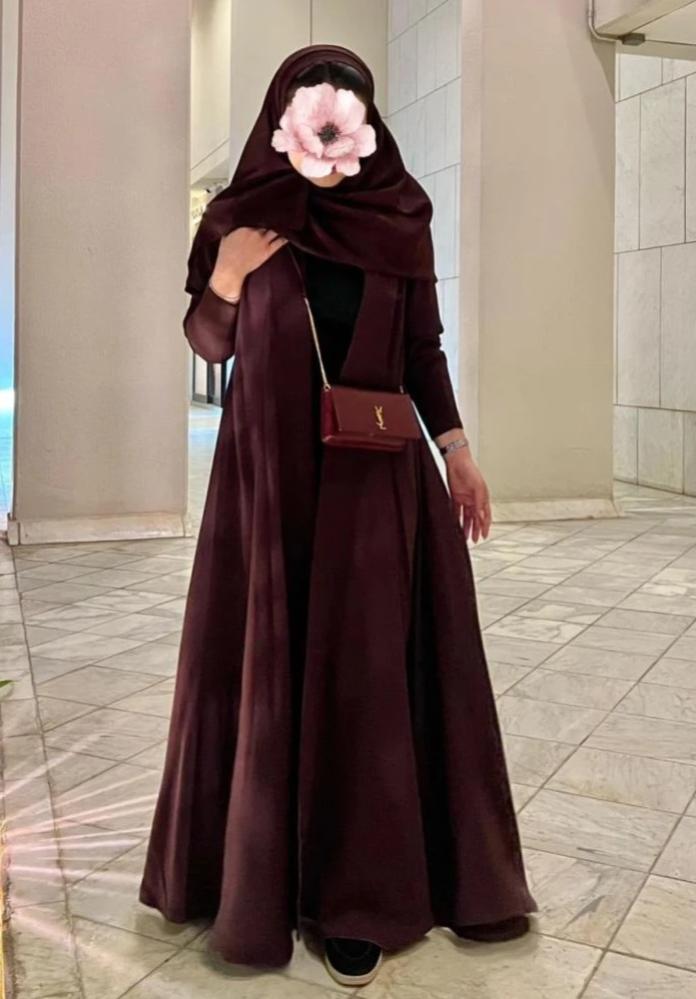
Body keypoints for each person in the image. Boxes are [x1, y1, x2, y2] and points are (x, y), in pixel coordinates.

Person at [138, 43, 538, 989]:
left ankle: (360, 893)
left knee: (366, 674)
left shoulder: (400, 214)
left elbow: (421, 349)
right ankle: (253, 879)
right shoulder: (240, 218)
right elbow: (207, 342)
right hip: (268, 478)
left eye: (345, 109)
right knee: (267, 670)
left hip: (376, 476)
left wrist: (458, 450)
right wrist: (226, 276)